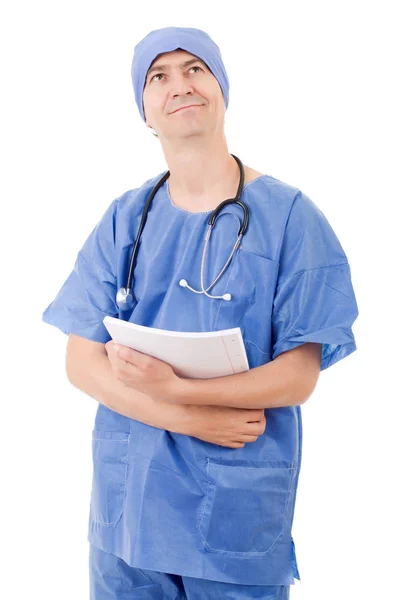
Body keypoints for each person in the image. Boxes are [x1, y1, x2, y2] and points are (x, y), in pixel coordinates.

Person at [42, 26, 359, 600]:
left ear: (221, 89)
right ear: (145, 110)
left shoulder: (290, 219)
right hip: (128, 517)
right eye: (158, 76)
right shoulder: (125, 220)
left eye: (194, 68)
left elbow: (298, 376)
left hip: (232, 518)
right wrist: (184, 415)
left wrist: (172, 387)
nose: (179, 85)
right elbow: (81, 363)